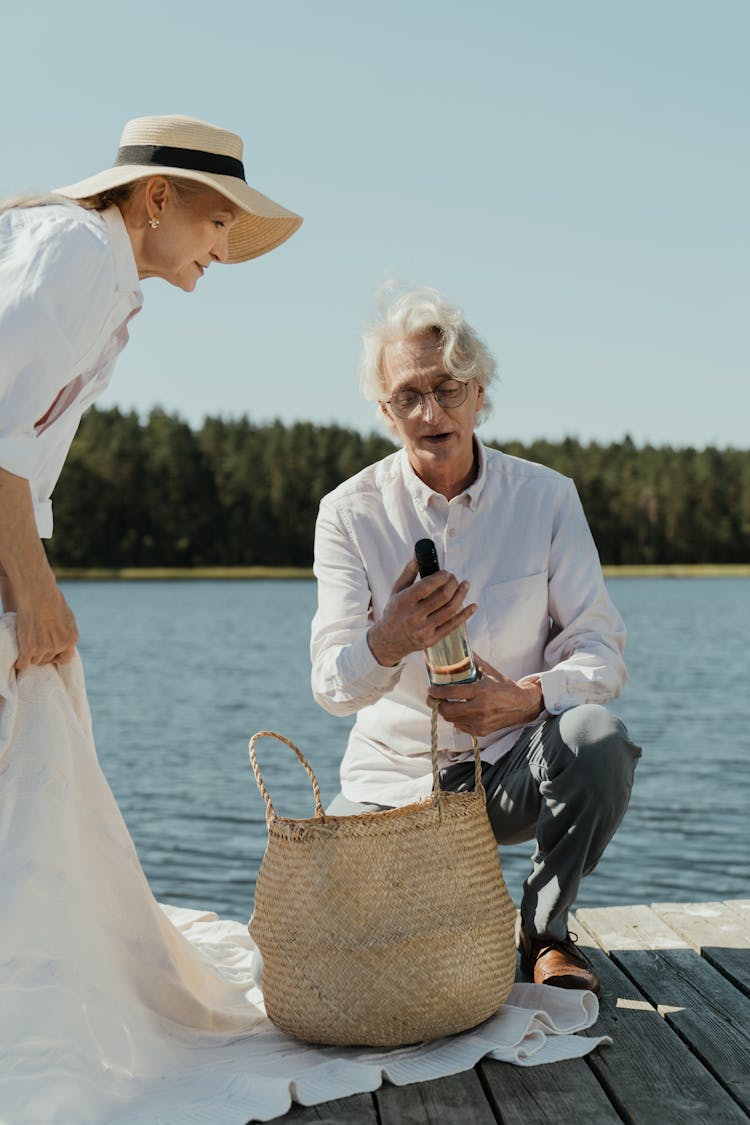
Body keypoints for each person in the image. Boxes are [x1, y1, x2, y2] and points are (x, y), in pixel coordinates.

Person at [310, 285, 642, 996]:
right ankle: (446, 910)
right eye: (408, 396)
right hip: (391, 780)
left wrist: (523, 700)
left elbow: (601, 650)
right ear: (385, 411)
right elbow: (331, 686)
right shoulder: (347, 513)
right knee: (339, 962)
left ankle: (545, 932)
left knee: (597, 738)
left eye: (448, 388)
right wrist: (388, 637)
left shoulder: (548, 498)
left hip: (512, 769)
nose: (431, 413)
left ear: (479, 392)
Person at [0, 113, 302, 671]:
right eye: (217, 222)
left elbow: (21, 467)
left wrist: (27, 603)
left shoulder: (104, 279)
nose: (224, 252)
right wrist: (37, 596)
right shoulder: (79, 250)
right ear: (157, 198)